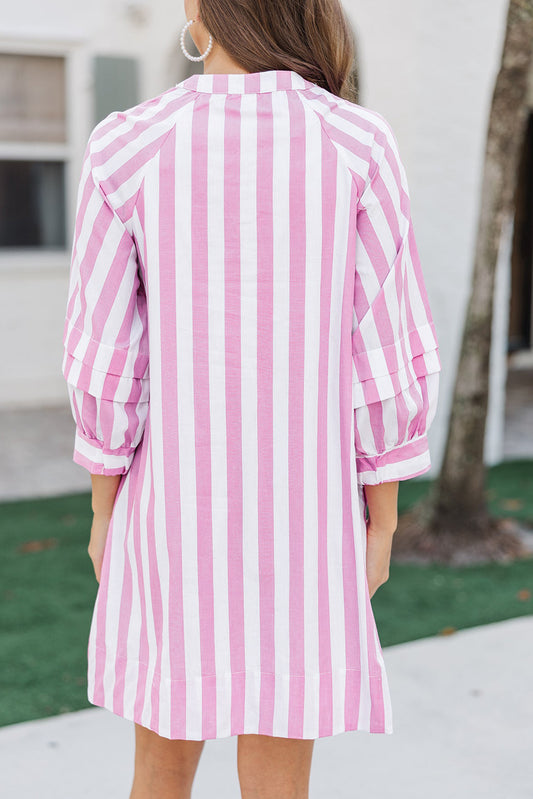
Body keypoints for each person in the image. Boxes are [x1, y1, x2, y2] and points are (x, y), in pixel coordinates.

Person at [61, 0, 441, 796]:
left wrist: (103, 511)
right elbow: (383, 354)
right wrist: (382, 516)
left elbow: (106, 361)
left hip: (170, 513)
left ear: (199, 11)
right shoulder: (357, 144)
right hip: (306, 519)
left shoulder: (124, 146)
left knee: (159, 770)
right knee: (278, 782)